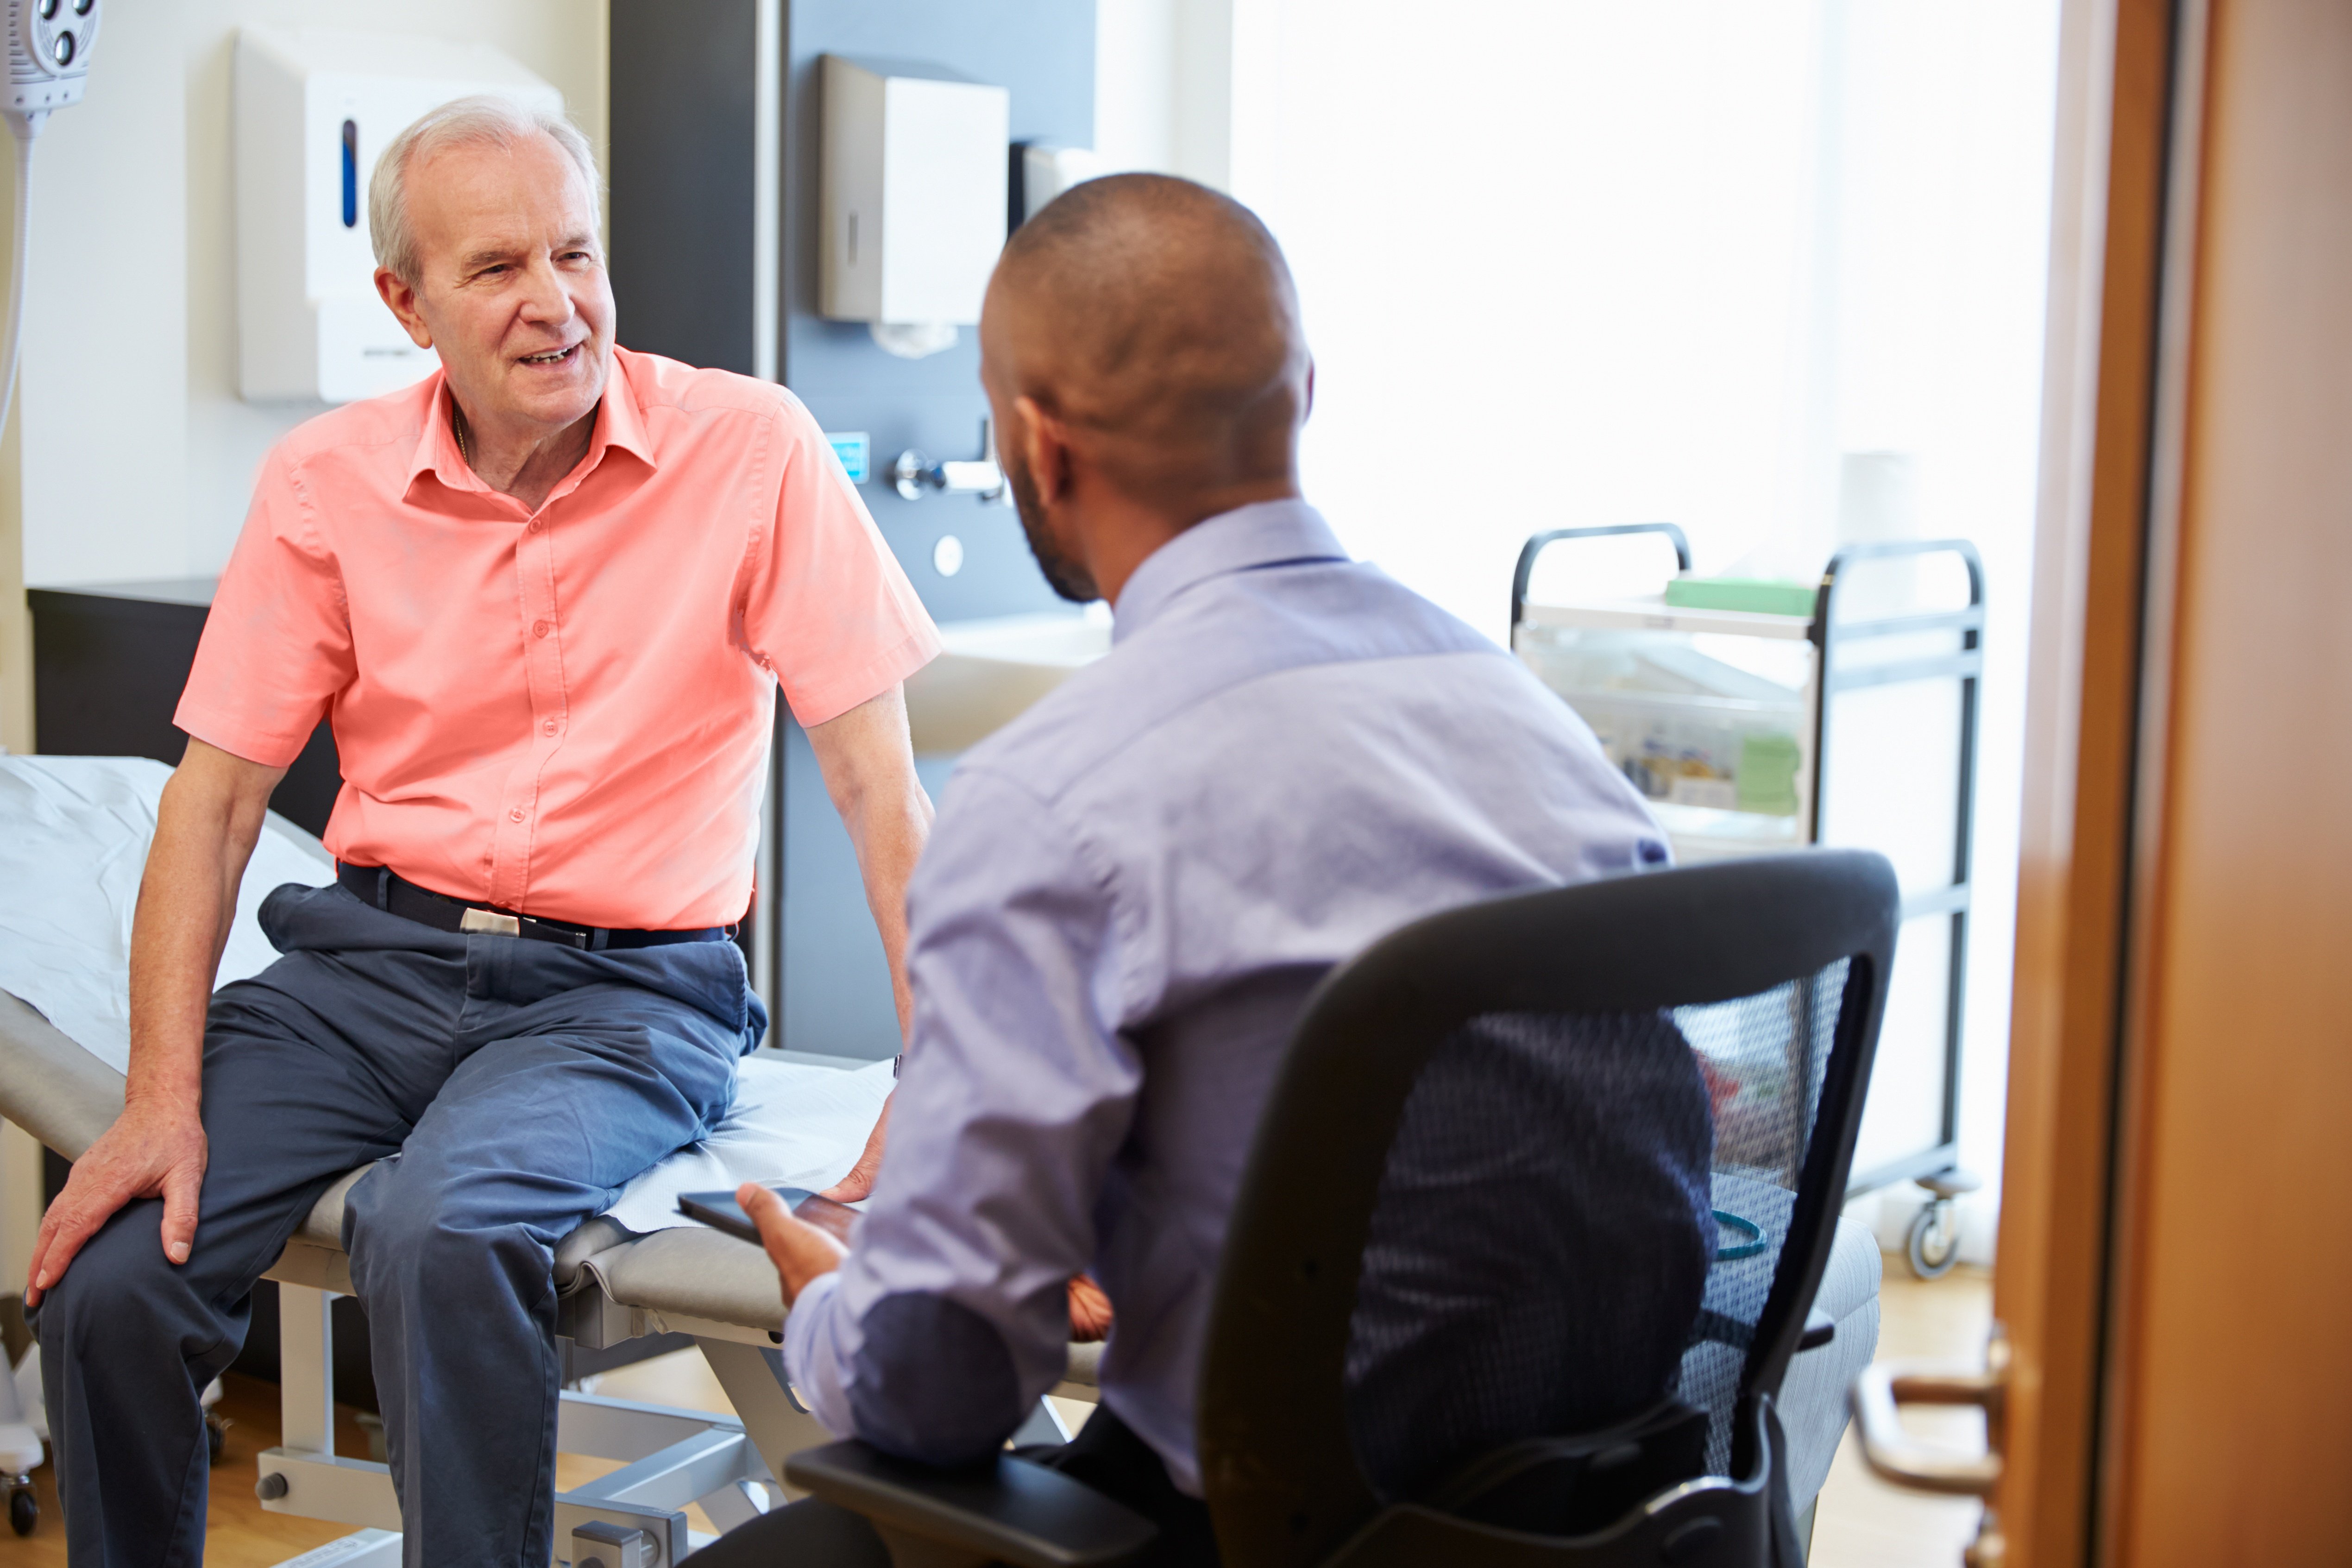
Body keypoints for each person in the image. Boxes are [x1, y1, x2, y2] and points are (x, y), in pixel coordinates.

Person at [685, 173, 1674, 1568]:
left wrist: (834, 1311)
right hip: (1592, 1513)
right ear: (1305, 392)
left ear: (1036, 440)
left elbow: (947, 1384)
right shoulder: (1536, 727)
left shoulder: (1051, 800)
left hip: (1261, 1529)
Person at [24, 98, 939, 1568]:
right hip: (363, 969)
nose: (557, 303)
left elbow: (881, 793)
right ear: (408, 301)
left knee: (441, 1233)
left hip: (626, 995)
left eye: (576, 252)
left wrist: (945, 1066)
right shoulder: (328, 483)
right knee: (118, 1277)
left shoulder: (750, 452)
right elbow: (212, 801)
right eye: (501, 266)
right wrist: (156, 1096)